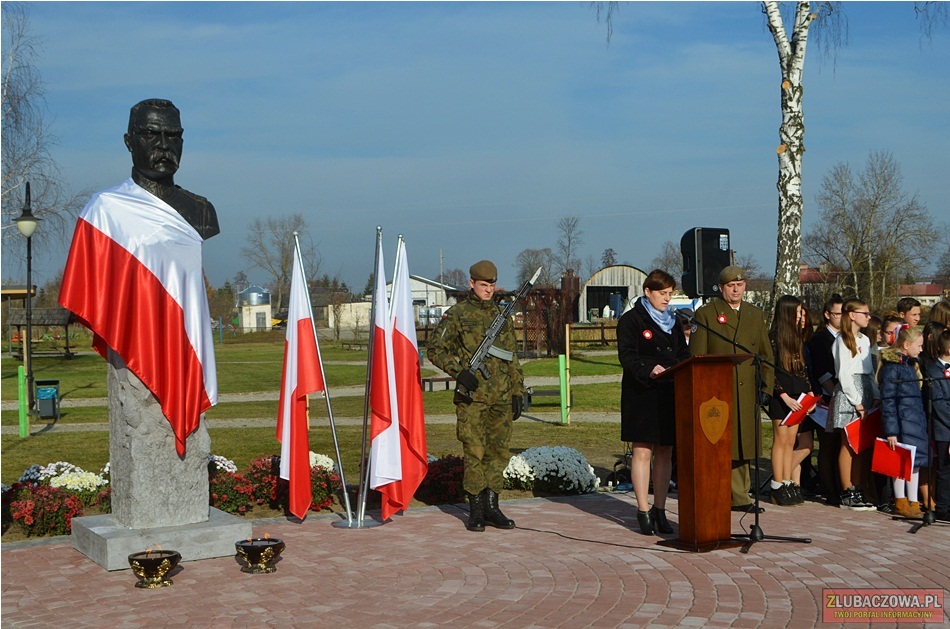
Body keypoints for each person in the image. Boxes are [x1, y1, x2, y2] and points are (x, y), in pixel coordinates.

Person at [427, 260, 526, 532]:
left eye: (492, 284)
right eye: (484, 284)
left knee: (499, 452)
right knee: (475, 452)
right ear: (471, 284)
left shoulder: (502, 317)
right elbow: (435, 349)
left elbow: (512, 358)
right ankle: (476, 510)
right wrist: (459, 372)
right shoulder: (457, 315)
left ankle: (493, 506)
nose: (489, 289)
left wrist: (517, 391)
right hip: (472, 397)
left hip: (501, 398)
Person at [690, 265, 774, 513]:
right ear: (721, 288)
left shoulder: (754, 314)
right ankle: (719, 493)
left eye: (740, 285)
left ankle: (740, 496)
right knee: (720, 442)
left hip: (746, 391)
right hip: (717, 391)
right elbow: (697, 357)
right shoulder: (706, 314)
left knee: (743, 443)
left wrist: (766, 387)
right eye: (730, 286)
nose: (736, 290)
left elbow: (765, 354)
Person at [617, 270, 691, 535]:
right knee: (642, 451)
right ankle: (643, 510)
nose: (667, 298)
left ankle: (660, 509)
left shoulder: (674, 321)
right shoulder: (631, 320)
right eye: (662, 293)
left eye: (670, 293)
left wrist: (682, 367)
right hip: (642, 393)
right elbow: (627, 356)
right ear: (648, 292)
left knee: (665, 452)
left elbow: (683, 354)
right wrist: (649, 370)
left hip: (669, 392)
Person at [827, 299, 880, 511]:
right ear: (851, 315)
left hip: (865, 390)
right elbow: (843, 374)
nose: (868, 317)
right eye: (864, 313)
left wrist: (875, 394)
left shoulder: (865, 340)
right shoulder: (842, 340)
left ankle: (857, 487)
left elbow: (869, 372)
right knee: (848, 444)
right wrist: (857, 402)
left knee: (859, 445)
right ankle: (847, 490)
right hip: (850, 395)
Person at [768, 295, 816, 506]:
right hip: (782, 398)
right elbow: (770, 371)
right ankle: (777, 485)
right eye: (797, 313)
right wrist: (784, 396)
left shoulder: (796, 338)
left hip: (798, 396)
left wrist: (809, 392)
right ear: (787, 313)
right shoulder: (773, 338)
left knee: (791, 441)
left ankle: (787, 481)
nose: (800, 316)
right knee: (781, 440)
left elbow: (801, 369)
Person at [879, 326, 931, 519]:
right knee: (900, 464)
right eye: (919, 346)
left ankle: (914, 501)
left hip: (914, 422)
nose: (921, 350)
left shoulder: (910, 367)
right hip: (901, 425)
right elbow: (888, 401)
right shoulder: (892, 368)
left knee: (915, 463)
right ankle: (900, 501)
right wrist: (891, 431)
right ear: (906, 345)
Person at [807, 294, 844, 505]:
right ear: (827, 314)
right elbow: (821, 372)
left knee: (840, 445)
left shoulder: (846, 337)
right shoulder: (820, 339)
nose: (842, 318)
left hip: (844, 396)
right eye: (838, 314)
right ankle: (829, 489)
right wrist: (834, 396)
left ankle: (840, 485)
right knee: (828, 445)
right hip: (828, 398)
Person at [922, 328, 950, 522]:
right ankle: (943, 507)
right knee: (945, 469)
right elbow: (939, 405)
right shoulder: (933, 371)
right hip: (944, 430)